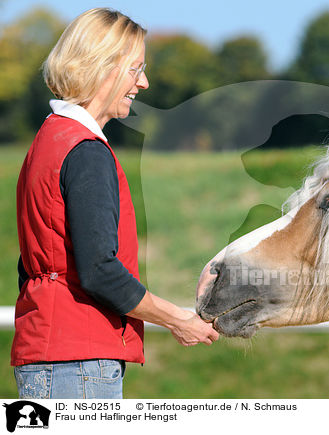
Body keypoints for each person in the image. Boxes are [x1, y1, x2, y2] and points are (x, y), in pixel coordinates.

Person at [12, 7, 219, 399]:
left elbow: (34, 265)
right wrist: (178, 320)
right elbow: (99, 272)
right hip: (79, 363)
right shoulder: (86, 151)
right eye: (134, 69)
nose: (143, 82)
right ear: (100, 67)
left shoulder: (48, 140)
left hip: (47, 353)